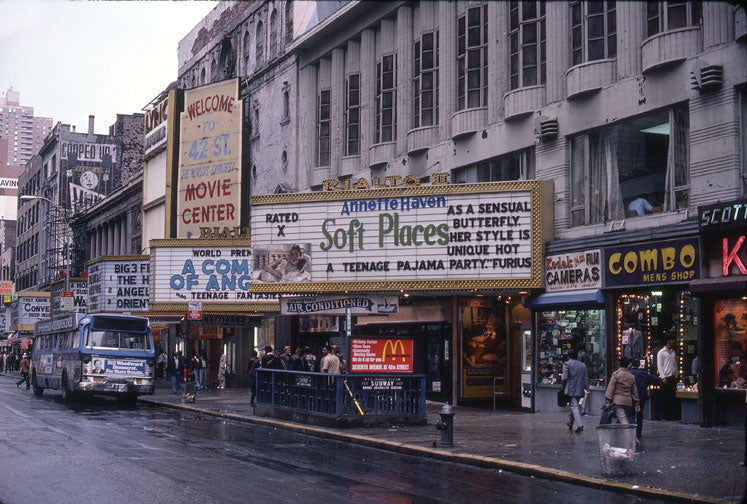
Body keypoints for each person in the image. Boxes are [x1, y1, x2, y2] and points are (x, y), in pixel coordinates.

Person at [603, 357, 640, 425]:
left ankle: (628, 434)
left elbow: (610, 388)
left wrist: (607, 401)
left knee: (622, 419)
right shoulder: (631, 376)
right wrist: (636, 403)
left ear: (619, 364)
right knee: (620, 419)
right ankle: (619, 435)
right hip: (628, 401)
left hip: (618, 401)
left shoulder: (616, 374)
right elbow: (634, 391)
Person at [629, 360, 659, 441]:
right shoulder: (643, 373)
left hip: (630, 396)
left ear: (631, 364)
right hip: (641, 396)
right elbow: (655, 379)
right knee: (639, 414)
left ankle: (631, 432)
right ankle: (638, 432)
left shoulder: (628, 373)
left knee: (630, 413)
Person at [562, 349, 588, 434]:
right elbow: (585, 379)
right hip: (580, 388)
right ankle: (570, 422)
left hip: (571, 388)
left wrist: (563, 387)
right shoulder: (582, 365)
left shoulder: (567, 364)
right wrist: (587, 389)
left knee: (574, 406)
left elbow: (564, 378)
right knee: (574, 406)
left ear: (568, 356)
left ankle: (579, 425)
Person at [657, 337, 677, 420]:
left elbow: (675, 364)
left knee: (671, 397)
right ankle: (663, 415)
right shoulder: (661, 352)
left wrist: (676, 373)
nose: (673, 341)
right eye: (671, 340)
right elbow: (659, 365)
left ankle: (670, 415)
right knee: (664, 397)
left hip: (672, 377)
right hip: (665, 377)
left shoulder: (673, 352)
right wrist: (663, 377)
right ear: (667, 341)